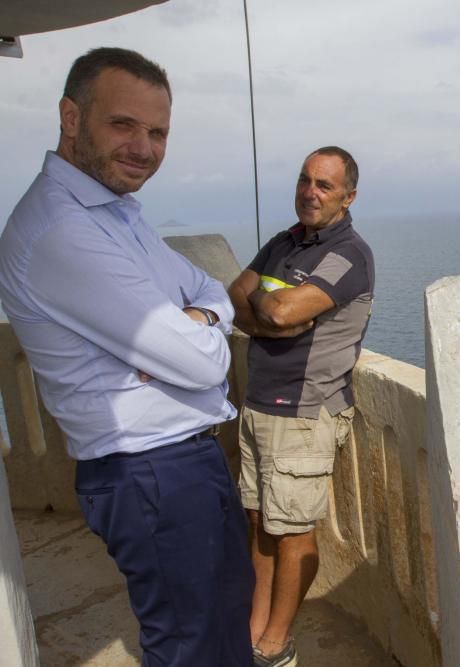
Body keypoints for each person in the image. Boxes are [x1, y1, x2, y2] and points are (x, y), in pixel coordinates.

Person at [0, 48, 254, 666]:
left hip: (181, 461)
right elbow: (202, 366)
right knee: (189, 644)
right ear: (70, 116)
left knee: (225, 620)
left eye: (158, 131)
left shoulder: (116, 212)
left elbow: (213, 293)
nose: (144, 147)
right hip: (149, 473)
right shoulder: (63, 229)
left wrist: (194, 322)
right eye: (123, 124)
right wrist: (195, 339)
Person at [229, 146, 374, 667]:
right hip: (260, 405)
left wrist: (270, 303)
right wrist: (272, 313)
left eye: (325, 186)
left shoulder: (347, 254)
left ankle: (276, 644)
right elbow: (234, 296)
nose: (310, 192)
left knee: (291, 533)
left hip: (304, 413)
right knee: (260, 521)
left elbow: (286, 307)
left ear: (347, 197)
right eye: (304, 180)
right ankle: (254, 627)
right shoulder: (285, 242)